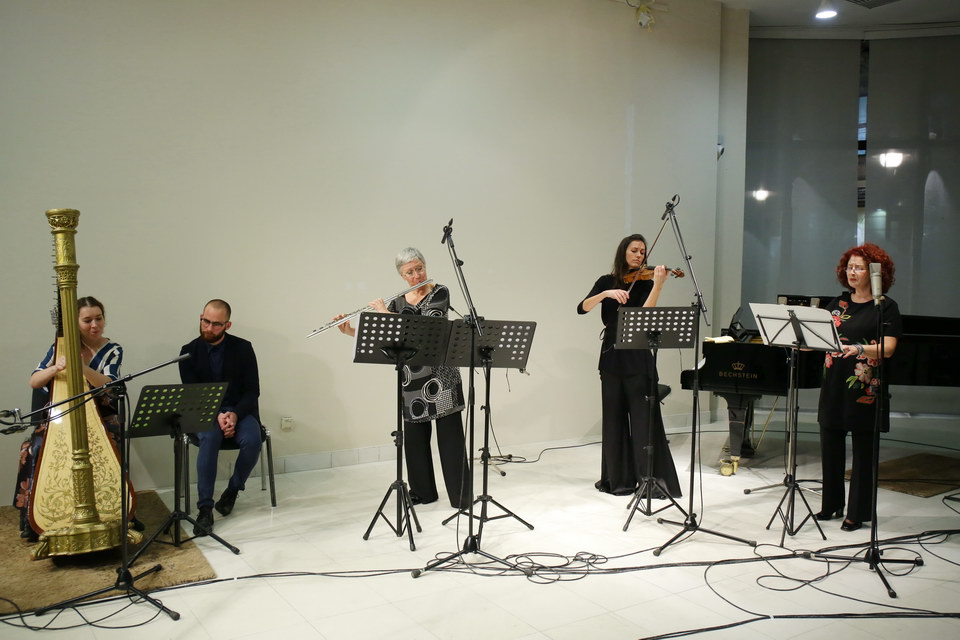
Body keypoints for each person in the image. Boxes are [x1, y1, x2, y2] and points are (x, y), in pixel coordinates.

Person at [334, 248, 470, 509]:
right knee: (415, 442)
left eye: (419, 268)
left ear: (425, 266)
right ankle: (423, 493)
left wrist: (384, 313)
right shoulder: (397, 302)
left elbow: (425, 329)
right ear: (402, 275)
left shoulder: (440, 292)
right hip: (412, 379)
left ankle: (461, 497)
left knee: (450, 440)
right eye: (410, 272)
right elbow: (386, 340)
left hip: (442, 376)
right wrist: (350, 330)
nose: (416, 275)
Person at [578, 234, 681, 498]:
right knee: (613, 420)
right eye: (634, 250)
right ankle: (618, 481)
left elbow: (645, 315)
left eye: (642, 252)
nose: (639, 255)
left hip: (637, 356)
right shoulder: (606, 281)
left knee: (644, 421)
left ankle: (650, 481)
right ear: (623, 252)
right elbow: (582, 307)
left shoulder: (646, 281)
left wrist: (658, 285)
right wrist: (605, 294)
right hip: (611, 356)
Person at [15, 296, 126, 540]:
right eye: (87, 320)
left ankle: (114, 511)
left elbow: (108, 384)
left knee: (110, 442)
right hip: (63, 416)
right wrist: (56, 367)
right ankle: (36, 518)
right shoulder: (60, 347)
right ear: (74, 323)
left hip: (100, 414)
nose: (94, 325)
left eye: (99, 318)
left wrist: (81, 366)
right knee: (34, 447)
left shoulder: (113, 350)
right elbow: (34, 381)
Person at [817, 244, 900, 532]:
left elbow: (888, 348)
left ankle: (857, 513)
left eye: (859, 268)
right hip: (834, 384)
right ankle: (831, 504)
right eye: (849, 267)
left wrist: (860, 348)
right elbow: (822, 338)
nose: (852, 272)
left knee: (864, 453)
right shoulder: (837, 304)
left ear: (875, 272)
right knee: (830, 447)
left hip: (865, 388)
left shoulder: (885, 306)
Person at [179, 299, 261, 536]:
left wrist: (234, 414)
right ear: (200, 318)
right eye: (206, 321)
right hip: (204, 411)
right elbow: (193, 393)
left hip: (238, 409)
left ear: (227, 325)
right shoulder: (187, 352)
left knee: (253, 440)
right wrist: (218, 415)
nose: (209, 328)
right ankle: (205, 509)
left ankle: (232, 490)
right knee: (210, 438)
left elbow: (252, 390)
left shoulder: (243, 348)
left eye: (216, 324)